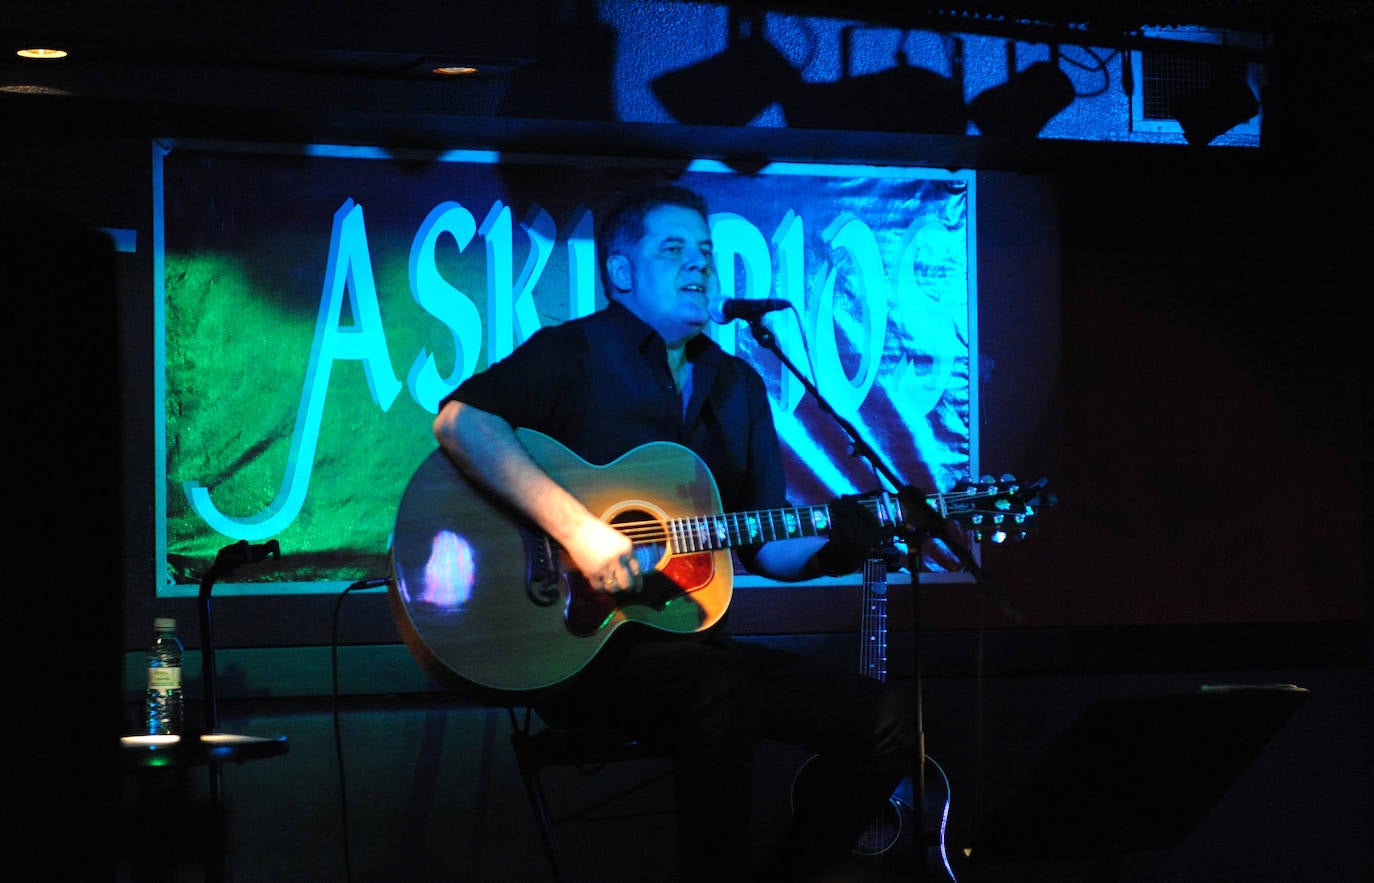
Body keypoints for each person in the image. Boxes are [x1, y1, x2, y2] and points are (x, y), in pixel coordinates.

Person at [432, 184, 915, 881]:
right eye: (674, 249)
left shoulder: (738, 385)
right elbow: (461, 421)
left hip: (694, 649)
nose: (699, 266)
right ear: (622, 271)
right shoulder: (574, 354)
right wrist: (584, 535)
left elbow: (767, 546)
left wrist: (843, 539)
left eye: (706, 252)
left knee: (890, 718)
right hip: (576, 653)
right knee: (719, 687)